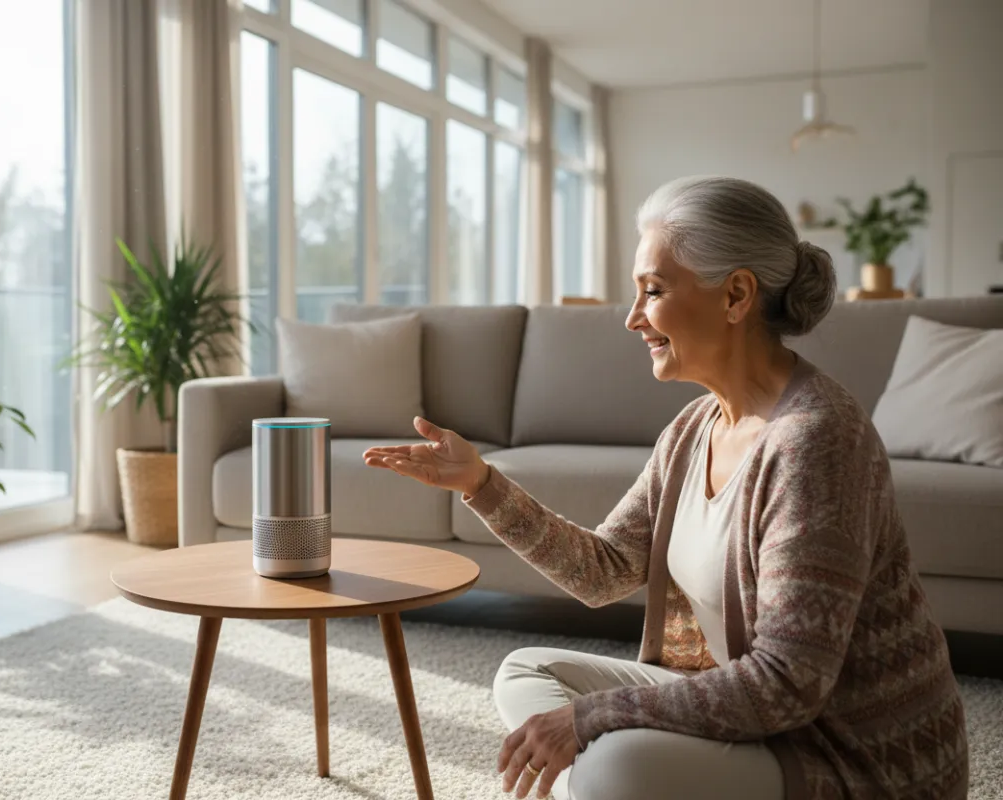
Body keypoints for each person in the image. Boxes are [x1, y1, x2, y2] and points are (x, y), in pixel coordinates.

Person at [363, 176, 968, 800]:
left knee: (614, 763)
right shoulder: (694, 428)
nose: (631, 319)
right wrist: (481, 483)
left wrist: (595, 718)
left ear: (735, 295)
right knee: (529, 672)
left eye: (652, 291)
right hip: (754, 714)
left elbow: (791, 682)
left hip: (846, 752)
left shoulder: (816, 442)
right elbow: (603, 571)